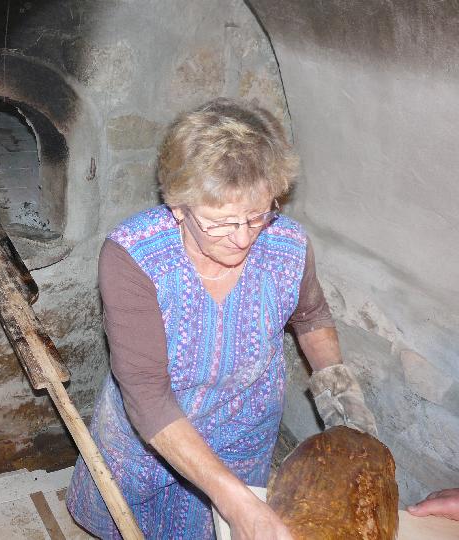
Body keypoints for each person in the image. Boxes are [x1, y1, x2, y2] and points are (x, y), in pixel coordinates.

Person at [66, 98, 377, 539]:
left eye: (256, 216)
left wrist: (345, 406)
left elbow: (311, 316)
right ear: (178, 206)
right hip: (148, 437)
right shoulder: (134, 257)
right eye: (220, 222)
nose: (242, 237)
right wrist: (235, 501)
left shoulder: (287, 244)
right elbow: (147, 393)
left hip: (242, 432)